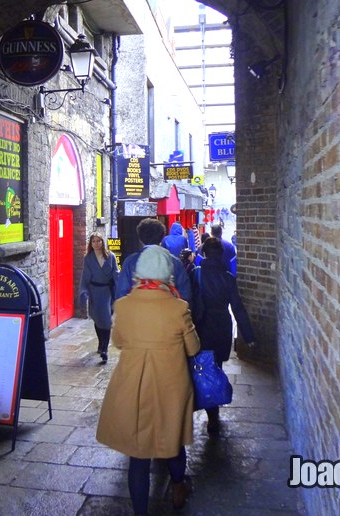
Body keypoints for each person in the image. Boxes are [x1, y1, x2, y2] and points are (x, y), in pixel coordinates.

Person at [96, 245, 200, 514]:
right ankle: (178, 488)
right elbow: (193, 348)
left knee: (138, 455)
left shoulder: (124, 305)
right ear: (167, 273)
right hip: (170, 385)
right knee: (173, 443)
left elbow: (118, 342)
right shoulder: (179, 308)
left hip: (134, 385)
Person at [193, 236, 256, 434]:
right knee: (217, 367)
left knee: (201, 367)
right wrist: (248, 335)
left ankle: (203, 405)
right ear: (220, 255)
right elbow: (237, 308)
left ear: (204, 253)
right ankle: (214, 413)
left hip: (201, 327)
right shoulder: (228, 277)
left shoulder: (196, 274)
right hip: (221, 326)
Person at [115, 218, 193, 306]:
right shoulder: (175, 262)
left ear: (140, 238)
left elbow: (121, 294)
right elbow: (185, 295)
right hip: (167, 313)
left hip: (137, 313)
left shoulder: (130, 262)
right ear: (162, 237)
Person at [78, 233, 120, 364]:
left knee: (106, 320)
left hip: (107, 292)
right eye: (93, 241)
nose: (96, 243)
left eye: (98, 241)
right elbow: (85, 276)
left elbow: (116, 273)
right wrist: (83, 291)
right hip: (94, 292)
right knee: (97, 318)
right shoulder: (88, 258)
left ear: (103, 242)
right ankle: (101, 342)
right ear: (91, 244)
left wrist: (121, 289)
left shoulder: (111, 256)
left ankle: (104, 349)